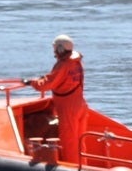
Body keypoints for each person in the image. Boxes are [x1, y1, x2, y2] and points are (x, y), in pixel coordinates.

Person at [24, 34, 87, 163]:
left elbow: (47, 84)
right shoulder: (76, 63)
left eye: (55, 49)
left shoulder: (64, 65)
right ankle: (83, 165)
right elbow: (60, 79)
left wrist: (32, 82)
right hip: (80, 105)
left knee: (69, 141)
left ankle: (72, 168)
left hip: (68, 108)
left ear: (60, 49)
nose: (54, 52)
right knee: (80, 140)